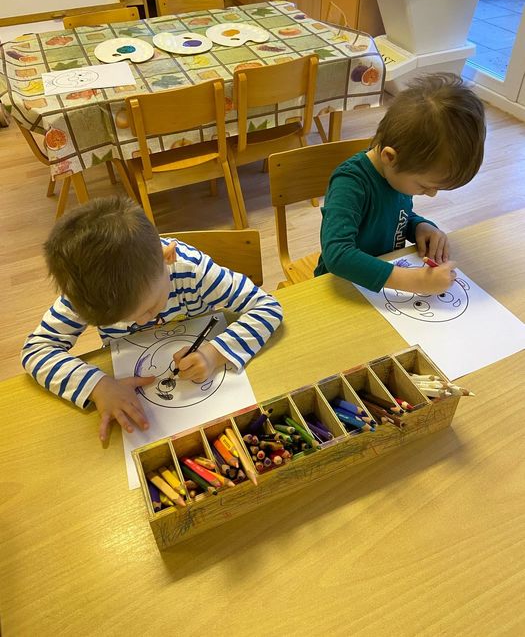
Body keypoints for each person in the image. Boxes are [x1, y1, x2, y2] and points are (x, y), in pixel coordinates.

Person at [22, 197, 283, 442]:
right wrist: (98, 386)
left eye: (150, 308)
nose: (141, 321)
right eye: (123, 320)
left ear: (166, 257)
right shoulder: (88, 292)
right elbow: (36, 349)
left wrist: (214, 354)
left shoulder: (192, 270)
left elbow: (267, 307)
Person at [315, 73, 486, 294]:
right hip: (341, 284)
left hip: (382, 280)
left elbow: (393, 215)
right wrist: (415, 281)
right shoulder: (349, 183)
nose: (431, 194)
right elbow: (338, 255)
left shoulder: (399, 174)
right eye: (425, 186)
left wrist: (418, 226)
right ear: (390, 157)